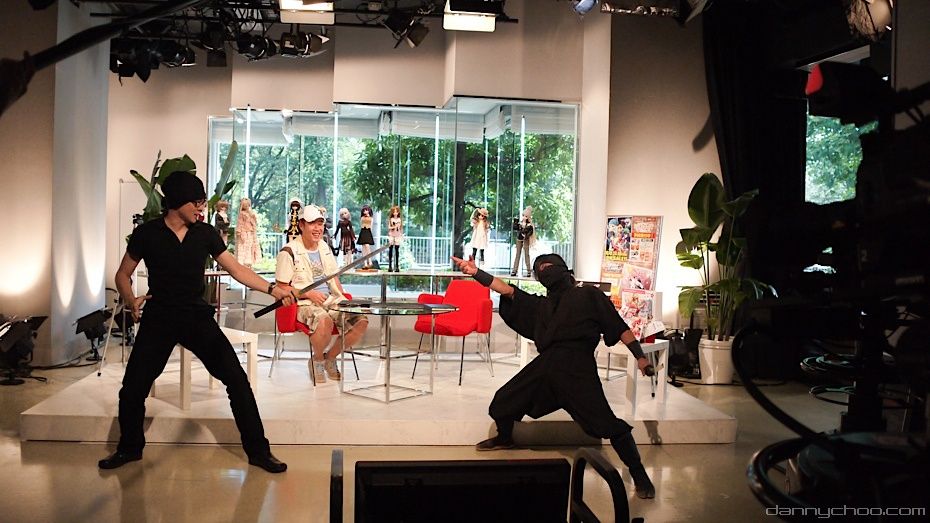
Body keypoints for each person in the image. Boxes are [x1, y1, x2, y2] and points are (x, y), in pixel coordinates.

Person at [100, 171, 295, 473]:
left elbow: (236, 269)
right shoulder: (147, 233)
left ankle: (259, 452)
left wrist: (273, 289)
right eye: (197, 202)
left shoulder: (205, 233)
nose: (201, 208)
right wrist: (130, 299)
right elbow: (122, 274)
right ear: (178, 201)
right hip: (159, 318)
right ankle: (129, 448)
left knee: (237, 381)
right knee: (133, 388)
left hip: (196, 317)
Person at [450, 252, 657, 499]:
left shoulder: (589, 295)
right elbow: (506, 290)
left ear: (563, 269)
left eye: (548, 266)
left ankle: (639, 473)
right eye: (539, 269)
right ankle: (505, 438)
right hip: (547, 365)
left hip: (578, 368)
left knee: (607, 424)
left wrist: (640, 357)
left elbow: (619, 327)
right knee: (503, 400)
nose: (544, 271)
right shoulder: (542, 306)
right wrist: (476, 273)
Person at [275, 205, 369, 383]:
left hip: (331, 300)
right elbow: (281, 289)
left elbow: (334, 278)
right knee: (324, 321)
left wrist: (342, 298)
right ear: (301, 225)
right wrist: (308, 294)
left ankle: (330, 357)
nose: (317, 228)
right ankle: (317, 359)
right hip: (305, 304)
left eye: (320, 224)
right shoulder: (288, 252)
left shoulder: (324, 246)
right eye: (312, 224)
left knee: (361, 321)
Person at [511, 206, 536, 277]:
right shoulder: (520, 223)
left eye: (526, 216)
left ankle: (529, 271)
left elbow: (530, 233)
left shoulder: (529, 225)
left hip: (525, 240)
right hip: (519, 239)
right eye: (523, 216)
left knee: (526, 255)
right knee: (517, 255)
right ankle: (514, 270)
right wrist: (515, 223)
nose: (524, 217)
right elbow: (515, 228)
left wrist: (525, 233)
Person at [236, 197, 261, 267]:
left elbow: (254, 223)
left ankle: (249, 262)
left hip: (250, 233)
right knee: (244, 247)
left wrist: (253, 218)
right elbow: (240, 224)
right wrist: (239, 232)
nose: (246, 206)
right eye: (245, 205)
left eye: (247, 205)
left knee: (250, 247)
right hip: (244, 233)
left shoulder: (250, 213)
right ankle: (244, 262)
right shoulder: (241, 214)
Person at [356, 205, 375, 270]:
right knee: (363, 248)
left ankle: (370, 261)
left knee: (367, 246)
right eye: (364, 210)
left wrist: (370, 234)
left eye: (366, 210)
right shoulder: (362, 218)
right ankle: (365, 263)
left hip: (368, 231)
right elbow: (361, 224)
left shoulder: (371, 218)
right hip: (363, 231)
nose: (365, 211)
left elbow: (371, 226)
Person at [387, 205, 403, 273]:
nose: (395, 213)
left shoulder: (399, 220)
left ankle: (397, 266)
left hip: (398, 235)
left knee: (397, 250)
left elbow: (401, 228)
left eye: (396, 212)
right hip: (391, 234)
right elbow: (389, 227)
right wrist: (394, 227)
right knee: (390, 249)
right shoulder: (391, 219)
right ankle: (390, 266)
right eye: (394, 212)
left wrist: (401, 235)